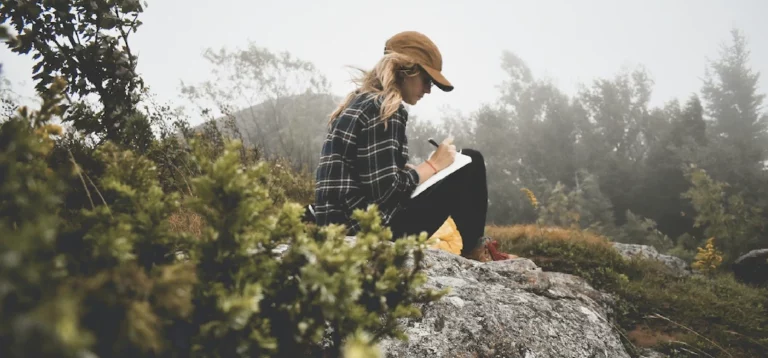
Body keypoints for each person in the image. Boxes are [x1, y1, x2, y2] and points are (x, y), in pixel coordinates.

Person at [311, 31, 508, 261]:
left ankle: (473, 249)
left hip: (341, 227)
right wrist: (433, 165)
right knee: (471, 162)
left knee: (452, 166)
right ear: (405, 71)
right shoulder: (385, 108)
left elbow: (367, 180)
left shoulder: (358, 102)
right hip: (367, 231)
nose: (428, 90)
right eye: (426, 80)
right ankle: (474, 251)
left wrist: (413, 172)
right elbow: (385, 192)